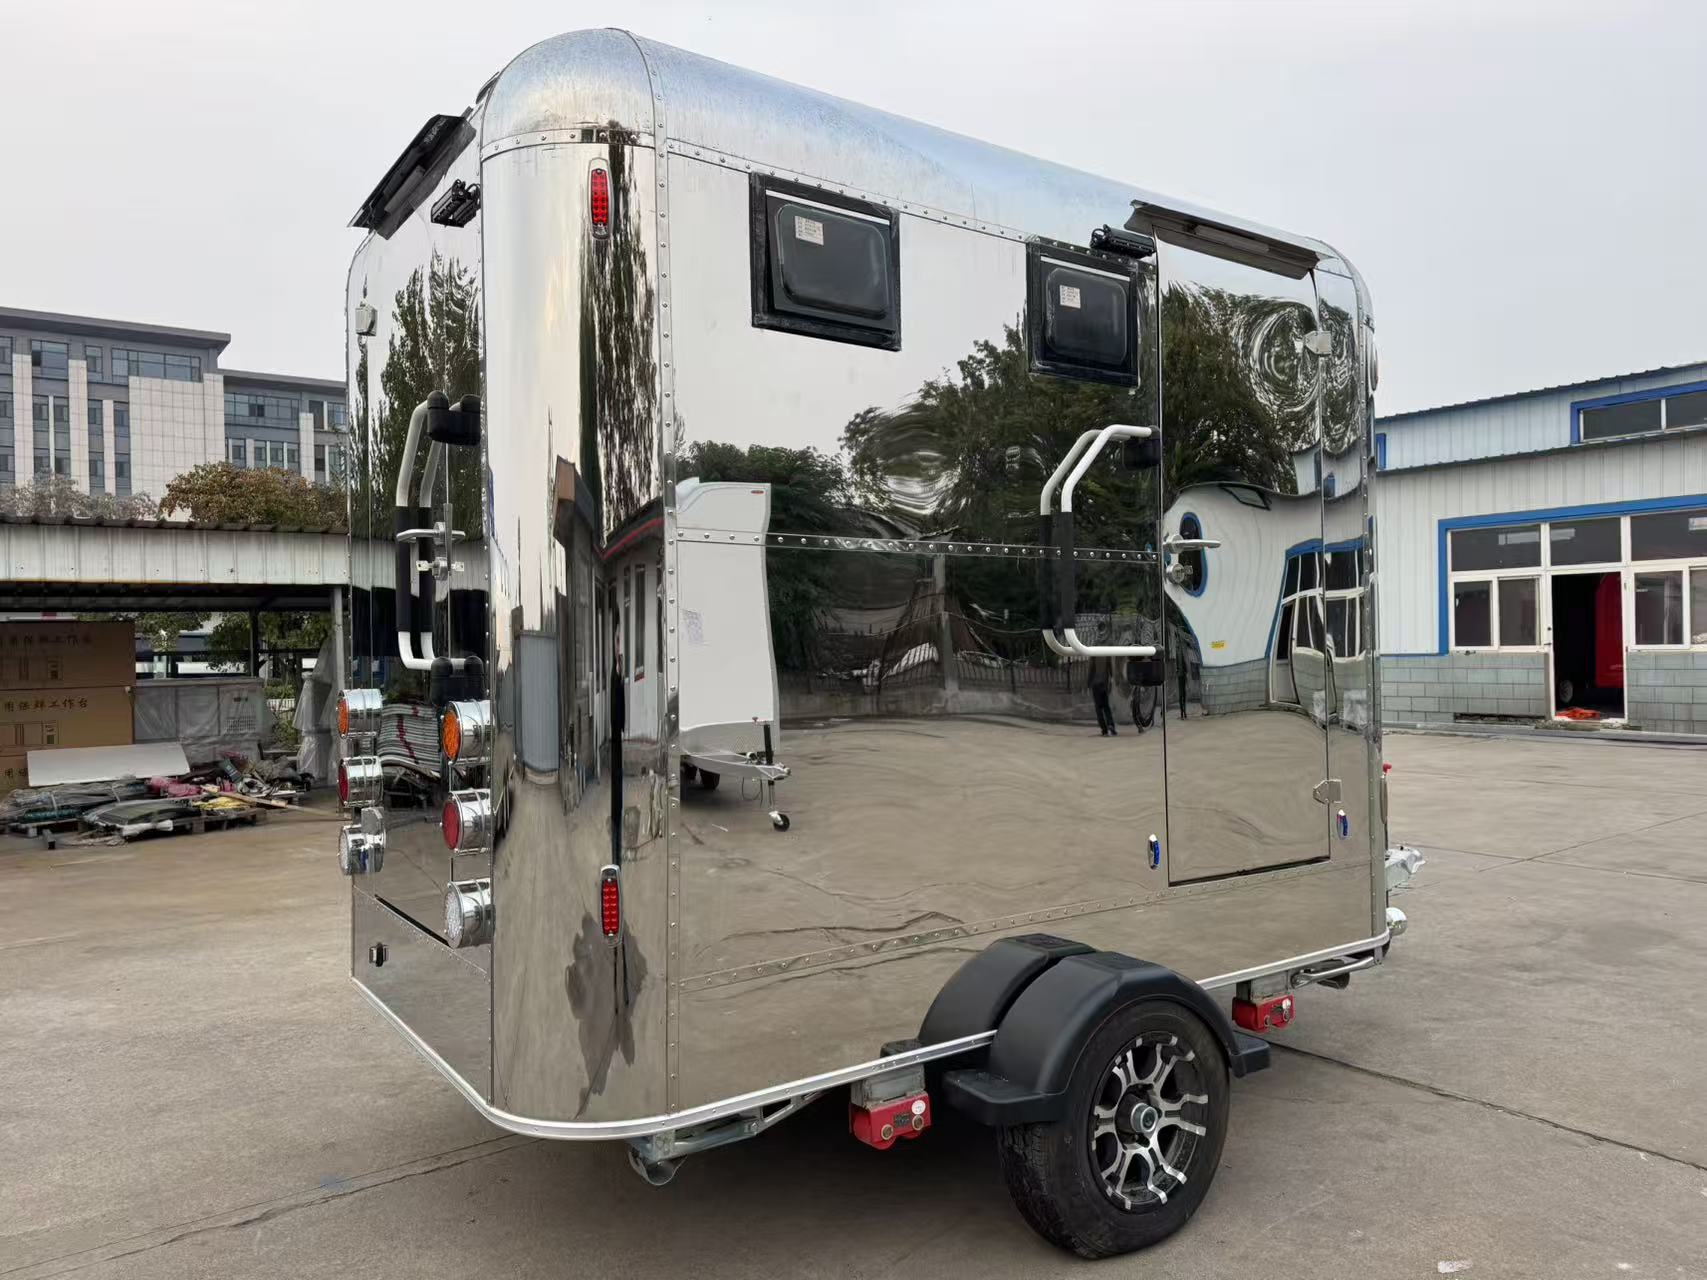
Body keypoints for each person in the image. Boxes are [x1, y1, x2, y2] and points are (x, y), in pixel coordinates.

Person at [1088, 654, 1117, 736]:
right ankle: (1111, 725)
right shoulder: (1106, 653)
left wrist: (1088, 683)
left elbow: (1091, 669)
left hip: (1095, 683)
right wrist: (1111, 679)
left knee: (1098, 708)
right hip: (1104, 683)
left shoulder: (1093, 654)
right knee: (1106, 706)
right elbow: (1110, 668)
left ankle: (1104, 729)